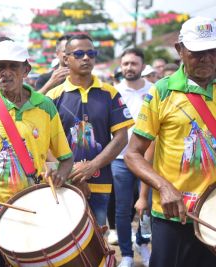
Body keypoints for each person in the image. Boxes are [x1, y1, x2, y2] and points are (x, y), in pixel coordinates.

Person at [0, 40, 74, 267]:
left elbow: (66, 158)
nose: (6, 73)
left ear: (26, 70)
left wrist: (61, 174)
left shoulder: (45, 106)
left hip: (30, 213)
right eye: (0, 67)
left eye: (13, 66)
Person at [125, 17, 216, 267]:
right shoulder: (161, 91)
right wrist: (163, 187)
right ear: (180, 50)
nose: (206, 58)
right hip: (173, 215)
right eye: (198, 52)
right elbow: (133, 154)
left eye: (212, 51)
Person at [47, 34, 134, 227]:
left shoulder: (109, 93)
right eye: (78, 54)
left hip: (100, 181)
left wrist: (93, 165)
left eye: (90, 53)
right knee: (65, 240)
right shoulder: (53, 96)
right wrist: (71, 174)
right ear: (65, 59)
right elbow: (44, 144)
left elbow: (121, 138)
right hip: (64, 184)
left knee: (97, 242)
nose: (86, 58)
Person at [113, 48, 153, 267]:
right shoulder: (114, 92)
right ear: (121, 66)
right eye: (126, 63)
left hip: (148, 160)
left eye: (134, 63)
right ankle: (127, 255)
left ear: (142, 66)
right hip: (120, 160)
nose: (129, 67)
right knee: (123, 208)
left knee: (147, 207)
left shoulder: (155, 91)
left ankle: (142, 243)